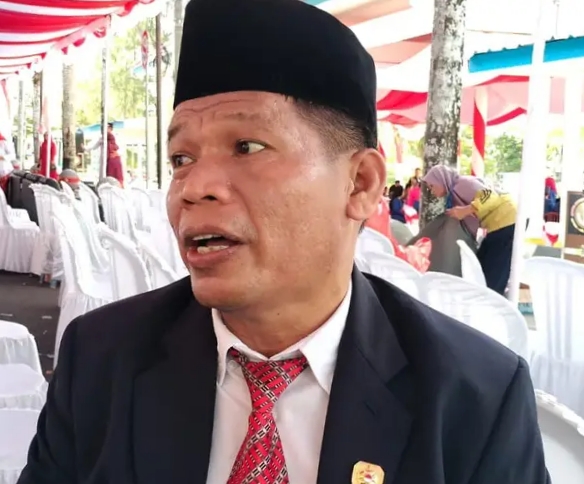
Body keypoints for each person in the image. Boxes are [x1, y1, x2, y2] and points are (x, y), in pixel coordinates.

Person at [18, 1, 548, 484]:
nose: (194, 187)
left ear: (360, 184)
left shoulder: (473, 398)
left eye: (246, 147)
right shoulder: (103, 360)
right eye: (182, 158)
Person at [424, 165, 517, 295]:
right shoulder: (455, 191)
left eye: (432, 186)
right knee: (480, 266)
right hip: (498, 225)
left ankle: (492, 301)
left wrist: (466, 210)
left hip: (507, 220)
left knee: (493, 273)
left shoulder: (462, 184)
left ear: (441, 180)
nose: (431, 191)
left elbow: (490, 195)